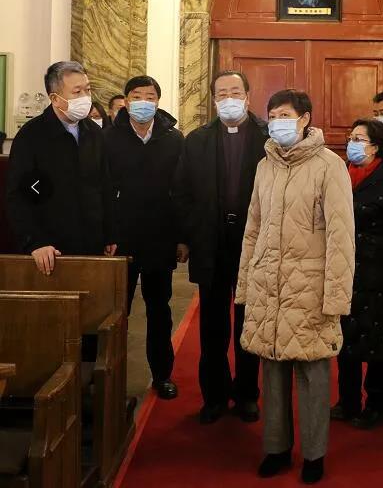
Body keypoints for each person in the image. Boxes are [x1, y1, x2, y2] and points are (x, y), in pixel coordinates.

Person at [236, 90, 355, 484]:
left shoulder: (329, 166)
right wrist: (246, 285)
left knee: (312, 374)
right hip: (268, 283)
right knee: (271, 371)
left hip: (310, 287)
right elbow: (253, 228)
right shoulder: (264, 165)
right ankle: (276, 448)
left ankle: (314, 454)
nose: (277, 122)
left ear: (305, 119)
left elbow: (341, 236)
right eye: (272, 115)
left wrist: (336, 297)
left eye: (285, 115)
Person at [172, 70, 268, 424]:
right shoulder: (197, 139)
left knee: (248, 322)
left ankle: (247, 394)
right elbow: (181, 192)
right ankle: (213, 396)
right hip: (210, 241)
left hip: (253, 244)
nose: (229, 98)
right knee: (212, 326)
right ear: (213, 99)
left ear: (247, 96)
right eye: (222, 93)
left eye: (235, 92)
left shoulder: (267, 137)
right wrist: (185, 237)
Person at [331, 119, 383, 430]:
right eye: (351, 137)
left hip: (379, 272)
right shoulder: (341, 172)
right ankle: (348, 400)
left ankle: (376, 406)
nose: (351, 143)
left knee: (378, 341)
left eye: (359, 139)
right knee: (345, 337)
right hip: (344, 268)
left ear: (375, 146)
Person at [104, 75, 184, 400]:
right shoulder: (108, 138)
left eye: (150, 97)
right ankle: (110, 378)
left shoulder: (174, 139)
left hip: (159, 237)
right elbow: (102, 191)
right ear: (126, 101)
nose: (143, 102)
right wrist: (106, 234)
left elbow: (182, 191)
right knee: (115, 312)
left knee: (159, 309)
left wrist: (182, 237)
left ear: (157, 102)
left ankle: (162, 374)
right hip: (120, 239)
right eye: (136, 96)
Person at [5, 61, 116, 275]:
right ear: (55, 98)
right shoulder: (31, 136)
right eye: (77, 92)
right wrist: (35, 242)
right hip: (50, 248)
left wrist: (110, 233)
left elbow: (104, 185)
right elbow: (18, 196)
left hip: (92, 244)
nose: (85, 97)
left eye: (87, 90)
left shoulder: (94, 133)